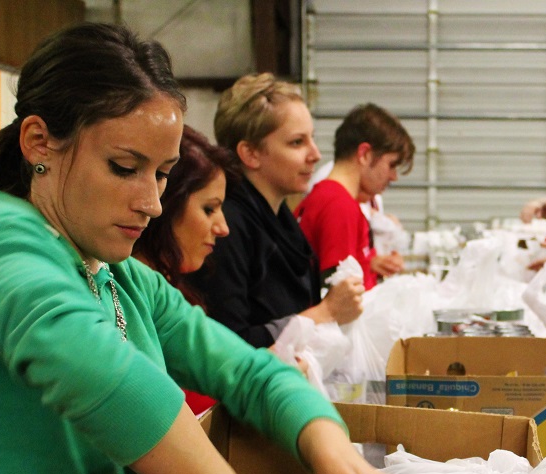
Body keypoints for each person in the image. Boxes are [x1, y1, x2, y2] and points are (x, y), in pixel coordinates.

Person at [0, 23, 388, 474]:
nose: (152, 202)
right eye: (125, 168)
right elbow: (97, 373)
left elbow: (249, 372)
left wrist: (330, 449)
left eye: (164, 173)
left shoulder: (121, 276)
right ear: (39, 141)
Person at [184, 73, 364, 347]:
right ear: (251, 153)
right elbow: (228, 345)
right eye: (297, 142)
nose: (315, 154)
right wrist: (325, 312)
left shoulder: (278, 219)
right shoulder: (228, 227)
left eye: (312, 139)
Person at [133, 124, 235, 414]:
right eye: (209, 209)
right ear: (166, 205)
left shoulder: (170, 291)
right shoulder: (127, 296)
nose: (223, 228)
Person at [296, 103, 414, 289]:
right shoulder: (339, 206)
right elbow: (338, 298)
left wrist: (373, 265)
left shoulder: (333, 199)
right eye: (391, 165)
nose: (394, 177)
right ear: (364, 154)